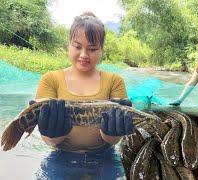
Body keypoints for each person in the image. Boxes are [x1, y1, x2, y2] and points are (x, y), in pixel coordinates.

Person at [33, 12, 133, 179]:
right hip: (61, 156)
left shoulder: (115, 81)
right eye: (77, 46)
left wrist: (113, 132)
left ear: (101, 49)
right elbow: (49, 140)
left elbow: (112, 141)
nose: (84, 55)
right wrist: (53, 133)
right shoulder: (50, 79)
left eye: (92, 49)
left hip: (105, 156)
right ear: (68, 45)